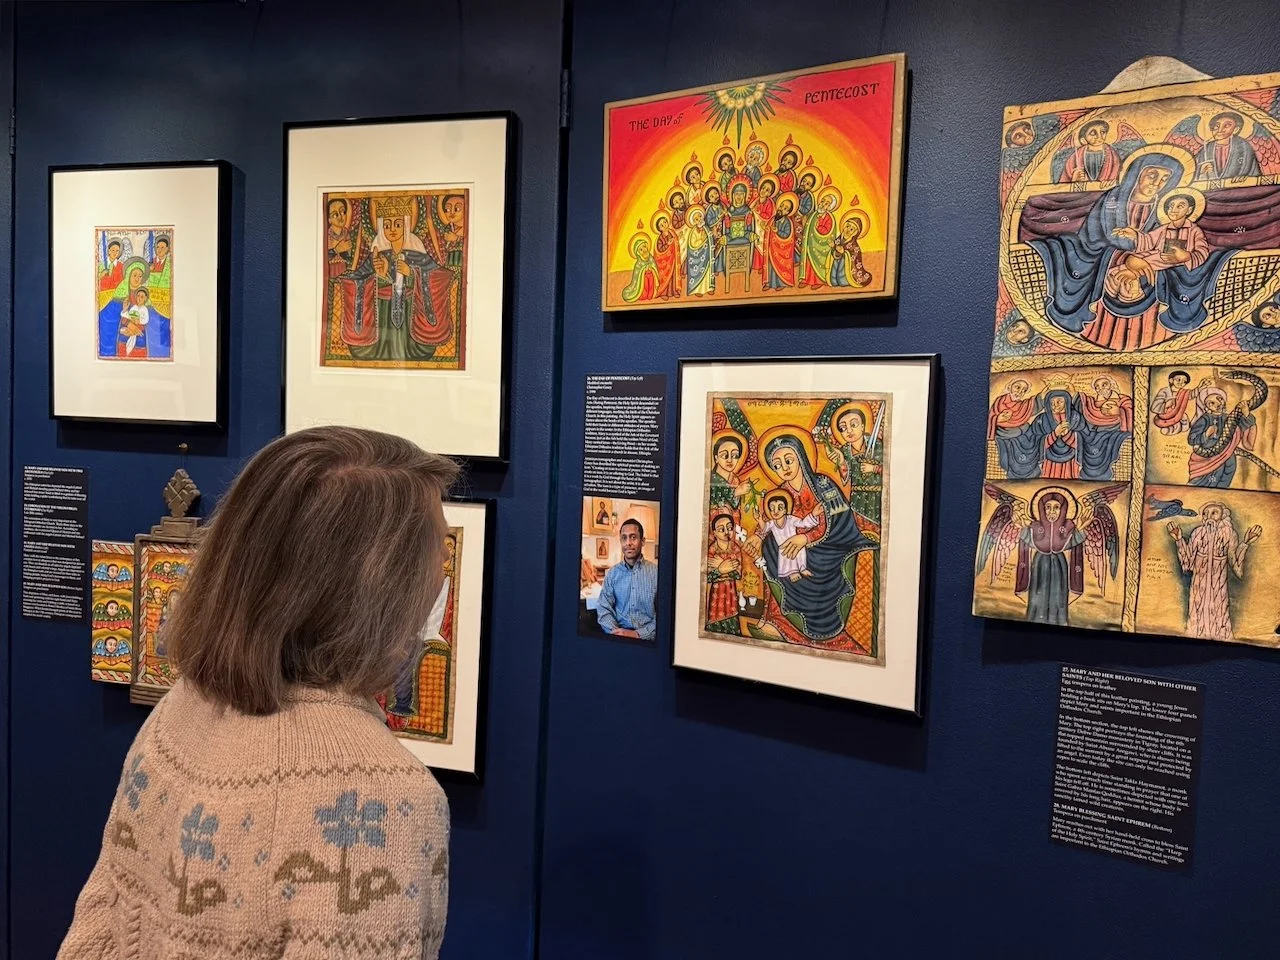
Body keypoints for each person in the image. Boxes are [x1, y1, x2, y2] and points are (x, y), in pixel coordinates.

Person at [57, 426, 457, 959]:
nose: (440, 575)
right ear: (383, 589)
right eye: (436, 552)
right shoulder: (389, 799)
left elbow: (95, 932)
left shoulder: (184, 707)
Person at [1028, 153, 1233, 350]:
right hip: (1109, 268)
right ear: (1137, 173)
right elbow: (1092, 240)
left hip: (1153, 276)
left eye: (1164, 179)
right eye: (1152, 175)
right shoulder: (1112, 200)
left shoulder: (1166, 211)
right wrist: (1126, 255)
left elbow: (1172, 248)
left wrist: (1165, 258)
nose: (1157, 183)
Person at [751, 434, 877, 646]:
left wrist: (805, 538)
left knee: (801, 555)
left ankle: (820, 625)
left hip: (830, 545)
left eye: (789, 460)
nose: (784, 468)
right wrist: (758, 535)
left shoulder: (822, 484)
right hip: (794, 549)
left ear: (801, 457)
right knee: (770, 548)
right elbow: (772, 519)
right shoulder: (782, 492)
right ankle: (779, 621)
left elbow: (838, 519)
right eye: (777, 465)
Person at [334, 210, 456, 363]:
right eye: (386, 225)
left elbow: (438, 275)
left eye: (397, 225)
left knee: (418, 350)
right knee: (368, 351)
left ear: (406, 225)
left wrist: (411, 273)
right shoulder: (378, 254)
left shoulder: (417, 253)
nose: (392, 229)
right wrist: (380, 274)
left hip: (409, 308)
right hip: (383, 309)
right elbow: (358, 277)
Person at [1169, 502, 1261, 640]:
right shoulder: (1198, 533)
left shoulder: (1228, 534)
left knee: (1219, 613)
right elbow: (1187, 563)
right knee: (1197, 614)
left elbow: (1235, 563)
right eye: (1206, 514)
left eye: (1214, 513)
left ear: (1223, 516)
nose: (1209, 516)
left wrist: (1245, 543)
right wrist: (1179, 540)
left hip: (1218, 587)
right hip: (1199, 585)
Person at [1103, 192, 1210, 304]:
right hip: (1156, 258)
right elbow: (1149, 240)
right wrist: (1136, 235)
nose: (1173, 210)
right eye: (1171, 206)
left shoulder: (1194, 231)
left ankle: (1132, 289)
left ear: (1189, 210)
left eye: (1180, 206)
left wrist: (1187, 256)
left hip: (1170, 264)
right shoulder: (1164, 229)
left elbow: (1202, 251)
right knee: (1114, 272)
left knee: (1128, 276)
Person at [1016, 491, 1085, 625]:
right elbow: (1029, 540)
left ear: (1063, 509)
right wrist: (1022, 529)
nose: (1051, 511)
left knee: (1058, 594)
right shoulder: (1035, 527)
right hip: (1040, 564)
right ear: (1042, 509)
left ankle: (1058, 620)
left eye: (1056, 507)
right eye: (1048, 507)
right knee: (1038, 593)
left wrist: (1081, 530)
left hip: (1059, 565)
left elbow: (1072, 542)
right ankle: (1035, 619)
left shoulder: (1067, 527)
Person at [596, 519, 657, 640]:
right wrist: (617, 633)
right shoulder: (612, 574)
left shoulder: (656, 573)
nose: (628, 543)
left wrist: (638, 634)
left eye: (633, 537)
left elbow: (663, 616)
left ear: (643, 541)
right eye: (624, 538)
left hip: (647, 640)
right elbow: (604, 608)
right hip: (618, 638)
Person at [1187, 387, 1256, 487]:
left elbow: (1244, 427)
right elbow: (1191, 439)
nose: (1217, 403)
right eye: (1211, 403)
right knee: (1204, 486)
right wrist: (1206, 434)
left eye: (1219, 399)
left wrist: (1246, 414)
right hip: (1207, 461)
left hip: (1228, 458)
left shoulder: (1229, 418)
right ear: (1206, 406)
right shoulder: (1204, 419)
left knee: (1223, 486)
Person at [1076, 375, 1134, 480]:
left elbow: (1130, 412)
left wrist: (1119, 411)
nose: (1101, 389)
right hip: (1097, 431)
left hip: (1115, 429)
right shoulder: (1093, 404)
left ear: (1111, 385)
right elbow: (1089, 415)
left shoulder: (1123, 400)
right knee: (1087, 437)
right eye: (1097, 387)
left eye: (1104, 385)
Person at [987, 378, 1039, 478]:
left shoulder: (1023, 405)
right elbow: (990, 417)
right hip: (1002, 435)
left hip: (1022, 434)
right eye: (1017, 387)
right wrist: (997, 419)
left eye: (1023, 390)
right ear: (1009, 387)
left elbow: (1034, 404)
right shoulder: (999, 402)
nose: (1019, 392)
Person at [762, 490, 819, 580]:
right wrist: (759, 519)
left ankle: (802, 568)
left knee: (801, 551)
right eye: (772, 508)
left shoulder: (790, 519)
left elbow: (803, 523)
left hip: (795, 543)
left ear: (785, 510)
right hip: (784, 547)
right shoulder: (772, 523)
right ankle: (792, 573)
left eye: (780, 508)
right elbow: (764, 528)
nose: (776, 511)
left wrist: (813, 514)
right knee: (788, 556)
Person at [705, 509, 744, 632]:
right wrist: (721, 569)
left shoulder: (735, 548)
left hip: (731, 594)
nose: (727, 532)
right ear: (715, 533)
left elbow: (737, 574)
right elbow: (708, 576)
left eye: (730, 528)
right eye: (722, 529)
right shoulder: (711, 550)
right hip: (716, 594)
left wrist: (720, 566)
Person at [1196, 112, 1260, 180]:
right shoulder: (1207, 148)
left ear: (1235, 129)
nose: (1220, 130)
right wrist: (1201, 172)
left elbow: (1251, 170)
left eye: (1226, 126)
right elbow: (1194, 172)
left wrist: (1244, 177)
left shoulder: (1244, 147)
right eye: (1216, 127)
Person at [1152, 369, 1194, 434]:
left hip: (1178, 415)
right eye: (1178, 380)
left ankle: (1175, 429)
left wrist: (1200, 387)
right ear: (1171, 380)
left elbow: (1192, 394)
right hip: (1164, 416)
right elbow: (1154, 406)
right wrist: (1166, 405)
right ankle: (1169, 429)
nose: (1181, 383)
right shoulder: (1164, 391)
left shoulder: (1183, 392)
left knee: (1183, 418)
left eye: (1184, 382)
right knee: (1162, 422)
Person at [620, 235, 659, 303]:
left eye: (644, 247)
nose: (644, 250)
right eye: (641, 249)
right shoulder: (638, 263)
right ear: (638, 253)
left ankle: (651, 294)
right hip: (643, 280)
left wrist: (652, 269)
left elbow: (654, 266)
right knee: (645, 289)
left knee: (651, 289)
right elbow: (637, 275)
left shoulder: (651, 258)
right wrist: (644, 269)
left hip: (652, 277)